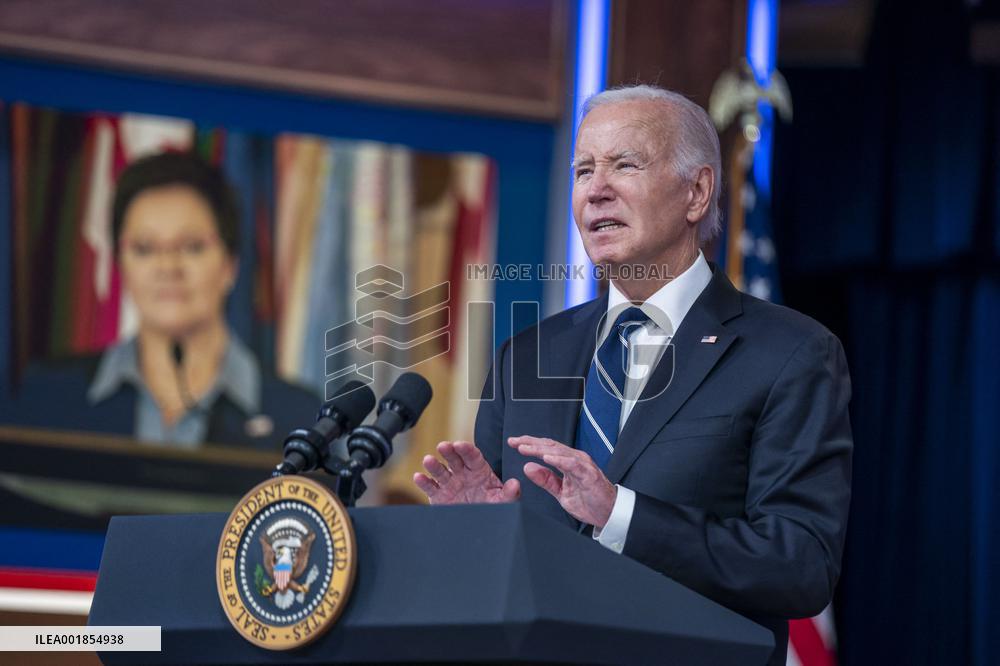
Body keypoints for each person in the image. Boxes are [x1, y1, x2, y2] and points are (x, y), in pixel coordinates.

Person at [413, 85, 852, 666]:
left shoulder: (790, 353)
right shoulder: (527, 356)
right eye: (584, 169)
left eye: (625, 165)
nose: (596, 190)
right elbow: (503, 578)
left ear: (697, 193)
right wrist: (482, 537)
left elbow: (800, 566)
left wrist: (619, 512)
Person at [3, 152, 318, 449]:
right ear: (119, 263)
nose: (168, 267)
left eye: (192, 247)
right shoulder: (47, 397)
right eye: (145, 248)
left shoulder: (300, 419)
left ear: (230, 264)